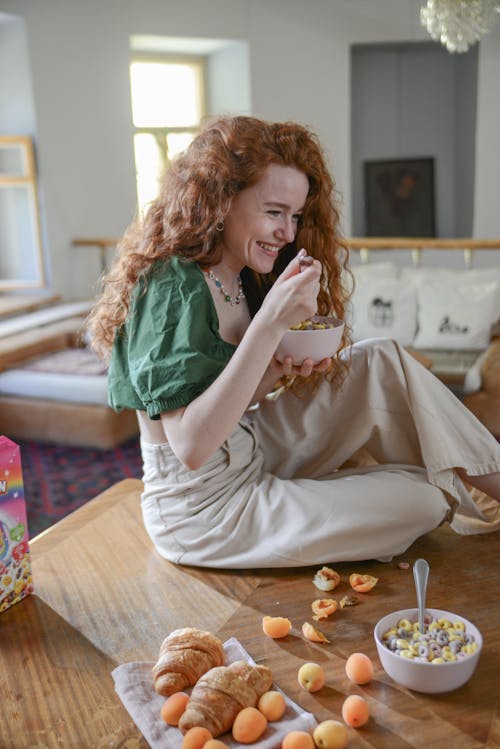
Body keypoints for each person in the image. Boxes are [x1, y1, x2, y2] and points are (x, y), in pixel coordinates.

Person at [87, 115, 500, 569]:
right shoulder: (171, 285)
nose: (287, 232)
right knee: (428, 495)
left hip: (250, 446)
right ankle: (408, 480)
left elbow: (228, 402)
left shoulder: (239, 277)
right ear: (221, 200)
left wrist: (275, 369)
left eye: (296, 215)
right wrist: (267, 327)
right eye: (274, 212)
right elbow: (189, 447)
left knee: (382, 355)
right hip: (204, 512)